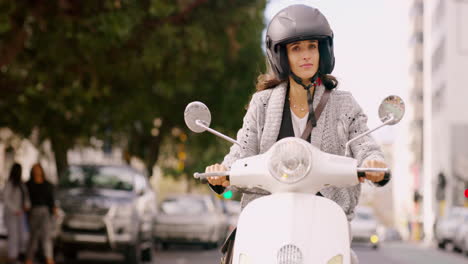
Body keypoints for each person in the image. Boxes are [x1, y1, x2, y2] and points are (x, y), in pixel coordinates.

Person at [204, 4, 389, 264]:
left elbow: (365, 143)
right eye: (296, 48)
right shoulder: (263, 103)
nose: (306, 56)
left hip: (325, 217)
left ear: (322, 51)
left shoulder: (344, 104)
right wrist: (222, 172)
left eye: (312, 46)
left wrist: (373, 163)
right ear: (282, 56)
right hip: (268, 216)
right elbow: (242, 151)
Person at [25, 163, 56, 264]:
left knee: (46, 236)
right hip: (33, 211)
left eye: (39, 169)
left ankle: (49, 259)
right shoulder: (28, 185)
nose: (37, 171)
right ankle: (29, 259)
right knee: (33, 237)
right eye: (35, 169)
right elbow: (26, 200)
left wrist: (53, 210)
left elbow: (51, 200)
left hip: (45, 212)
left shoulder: (47, 185)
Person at [3, 163, 30, 264]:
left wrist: (27, 205)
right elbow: (6, 199)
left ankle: (20, 254)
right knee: (13, 236)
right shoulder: (9, 184)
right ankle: (12, 257)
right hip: (12, 215)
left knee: (23, 235)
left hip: (21, 214)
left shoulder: (21, 184)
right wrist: (15, 210)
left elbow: (26, 197)